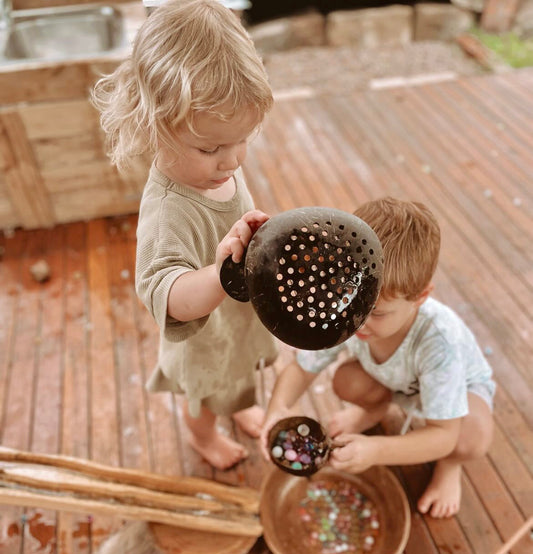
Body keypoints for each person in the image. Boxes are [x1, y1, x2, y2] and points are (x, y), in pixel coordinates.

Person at [92, 0, 278, 469]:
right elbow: (166, 296)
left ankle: (240, 405)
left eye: (243, 140)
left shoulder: (217, 171)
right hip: (201, 334)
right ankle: (202, 437)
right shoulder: (170, 209)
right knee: (203, 394)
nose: (233, 160)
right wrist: (220, 275)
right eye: (212, 147)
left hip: (235, 318)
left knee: (235, 375)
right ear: (153, 126)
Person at [261, 197, 495, 518]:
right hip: (394, 381)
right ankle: (375, 409)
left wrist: (376, 450)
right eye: (349, 300)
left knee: (470, 438)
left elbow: (444, 435)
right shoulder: (350, 313)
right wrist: (277, 409)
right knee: (347, 381)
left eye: (377, 312)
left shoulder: (440, 342)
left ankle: (450, 468)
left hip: (456, 402)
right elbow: (302, 368)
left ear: (420, 297)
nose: (357, 320)